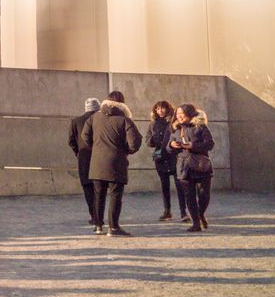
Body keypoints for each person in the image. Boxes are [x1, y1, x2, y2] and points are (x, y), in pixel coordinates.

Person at [81, 90, 143, 237]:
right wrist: (126, 151)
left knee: (98, 195)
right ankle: (113, 227)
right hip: (116, 162)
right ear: (122, 103)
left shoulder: (94, 117)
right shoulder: (124, 120)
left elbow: (85, 136)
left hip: (96, 163)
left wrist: (96, 148)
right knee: (115, 195)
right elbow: (135, 142)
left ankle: (98, 226)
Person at [171, 103, 215, 232]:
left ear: (190, 114)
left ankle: (200, 214)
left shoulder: (200, 127)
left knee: (204, 194)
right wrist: (172, 144)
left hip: (201, 166)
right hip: (184, 167)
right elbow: (168, 146)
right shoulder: (176, 129)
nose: (179, 117)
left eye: (182, 114)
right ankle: (196, 223)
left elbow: (210, 144)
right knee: (189, 196)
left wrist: (193, 146)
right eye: (177, 114)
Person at [147, 100, 188, 222]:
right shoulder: (153, 123)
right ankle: (167, 211)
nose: (160, 111)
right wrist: (152, 141)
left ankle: (183, 212)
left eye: (162, 108)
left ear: (168, 109)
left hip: (174, 156)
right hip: (160, 158)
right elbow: (148, 138)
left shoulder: (174, 123)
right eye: (157, 109)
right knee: (164, 185)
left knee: (179, 185)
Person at [68, 98, 102, 228]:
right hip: (100, 158)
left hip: (84, 158)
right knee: (99, 188)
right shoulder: (101, 120)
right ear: (98, 108)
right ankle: (101, 215)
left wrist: (78, 153)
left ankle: (94, 216)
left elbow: (71, 141)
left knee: (88, 188)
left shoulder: (75, 121)